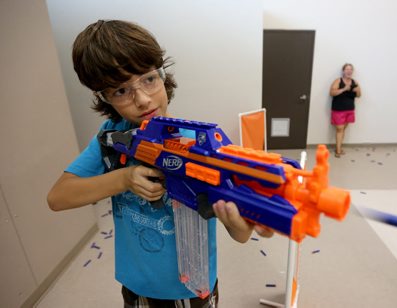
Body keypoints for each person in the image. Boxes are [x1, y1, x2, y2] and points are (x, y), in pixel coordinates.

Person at [46, 20, 272, 308]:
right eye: (120, 91)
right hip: (138, 286)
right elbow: (58, 197)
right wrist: (124, 179)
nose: (142, 99)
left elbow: (240, 235)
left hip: (195, 288)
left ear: (163, 75)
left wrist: (240, 219)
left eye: (149, 79)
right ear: (105, 98)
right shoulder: (111, 137)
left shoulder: (200, 146)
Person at [329, 63, 362, 158]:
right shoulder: (338, 81)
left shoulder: (354, 82)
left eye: (351, 69)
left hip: (350, 109)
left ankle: (338, 147)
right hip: (338, 110)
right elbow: (331, 92)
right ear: (343, 71)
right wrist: (343, 89)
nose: (349, 71)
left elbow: (359, 95)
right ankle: (338, 151)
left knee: (343, 129)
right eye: (347, 69)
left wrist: (357, 90)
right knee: (340, 129)